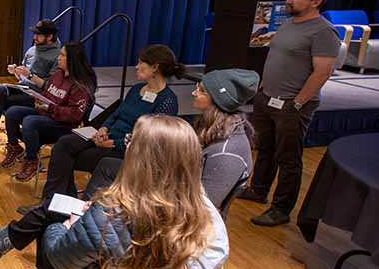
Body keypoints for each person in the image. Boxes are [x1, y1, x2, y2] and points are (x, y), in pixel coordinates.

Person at [0, 115, 228, 269]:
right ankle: (7, 242)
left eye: (132, 140)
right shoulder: (201, 211)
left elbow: (60, 259)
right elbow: (210, 257)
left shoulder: (110, 215)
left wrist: (68, 226)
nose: (128, 144)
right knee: (51, 208)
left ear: (143, 158)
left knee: (51, 221)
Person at [237, 0, 340, 227]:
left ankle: (281, 209)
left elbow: (322, 72)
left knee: (288, 158)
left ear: (316, 1)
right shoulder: (288, 24)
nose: (288, 0)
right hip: (267, 98)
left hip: (292, 105)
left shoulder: (324, 32)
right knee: (265, 149)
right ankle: (258, 190)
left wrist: (297, 103)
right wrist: (262, 88)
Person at [32, 44, 183, 207]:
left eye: (141, 63)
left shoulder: (167, 101)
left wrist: (113, 143)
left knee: (71, 157)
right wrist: (103, 128)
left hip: (127, 150)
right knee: (64, 144)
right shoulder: (137, 89)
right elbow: (117, 113)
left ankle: (65, 206)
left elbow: (149, 139)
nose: (136, 67)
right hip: (107, 136)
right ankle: (51, 203)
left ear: (155, 67)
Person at [84, 68, 258, 208]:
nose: (194, 93)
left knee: (117, 176)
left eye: (202, 91)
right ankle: (84, 221)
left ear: (219, 100)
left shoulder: (227, 155)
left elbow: (201, 207)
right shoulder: (208, 126)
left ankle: (88, 228)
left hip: (176, 205)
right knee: (108, 165)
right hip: (173, 184)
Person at [0, 19, 64, 164]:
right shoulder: (32, 49)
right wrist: (16, 71)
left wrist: (30, 75)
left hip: (37, 96)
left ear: (50, 36)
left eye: (38, 35)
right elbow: (24, 75)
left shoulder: (58, 56)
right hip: (22, 88)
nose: (34, 37)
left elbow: (50, 87)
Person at [0, 42, 96, 181]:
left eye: (62, 55)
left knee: (29, 122)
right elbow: (47, 94)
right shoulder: (57, 75)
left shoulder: (80, 85)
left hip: (63, 126)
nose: (58, 58)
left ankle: (32, 160)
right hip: (46, 114)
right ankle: (15, 147)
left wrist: (50, 107)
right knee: (12, 112)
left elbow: (74, 115)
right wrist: (39, 100)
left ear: (72, 59)